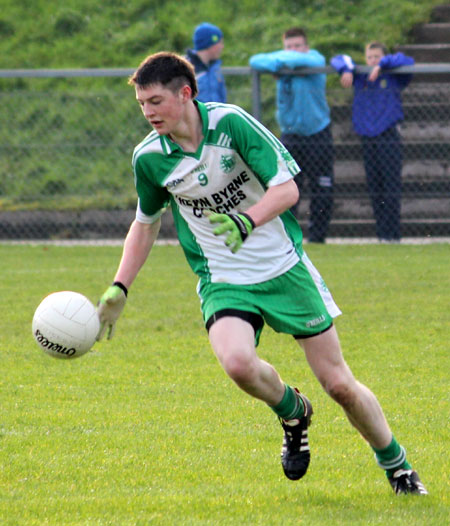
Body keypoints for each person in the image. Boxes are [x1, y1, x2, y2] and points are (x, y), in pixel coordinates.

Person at [96, 51, 427, 495]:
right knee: (236, 363)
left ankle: (398, 466)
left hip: (284, 269)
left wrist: (245, 220)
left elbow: (287, 188)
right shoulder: (149, 159)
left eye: (155, 101)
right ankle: (293, 411)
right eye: (141, 104)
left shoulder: (232, 125)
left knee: (339, 384)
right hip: (224, 277)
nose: (148, 112)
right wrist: (120, 286)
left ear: (185, 93)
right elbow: (146, 222)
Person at [249, 27, 334, 243]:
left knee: (321, 187)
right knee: (286, 188)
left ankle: (317, 238)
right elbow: (255, 60)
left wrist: (281, 62)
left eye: (298, 47)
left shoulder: (315, 59)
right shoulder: (284, 62)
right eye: (288, 47)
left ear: (306, 47)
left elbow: (309, 61)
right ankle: (288, 237)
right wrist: (283, 63)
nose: (293, 51)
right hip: (290, 136)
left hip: (318, 133)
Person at [331, 42, 415, 243]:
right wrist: (346, 70)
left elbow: (407, 60)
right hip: (368, 137)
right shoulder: (361, 76)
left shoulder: (392, 75)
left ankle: (393, 235)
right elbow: (338, 58)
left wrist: (383, 64)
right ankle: (381, 235)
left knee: (391, 186)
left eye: (377, 57)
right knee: (375, 186)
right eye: (370, 57)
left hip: (388, 136)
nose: (373, 61)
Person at [185, 22, 226, 103]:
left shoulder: (215, 69)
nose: (222, 46)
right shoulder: (185, 68)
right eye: (220, 43)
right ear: (211, 44)